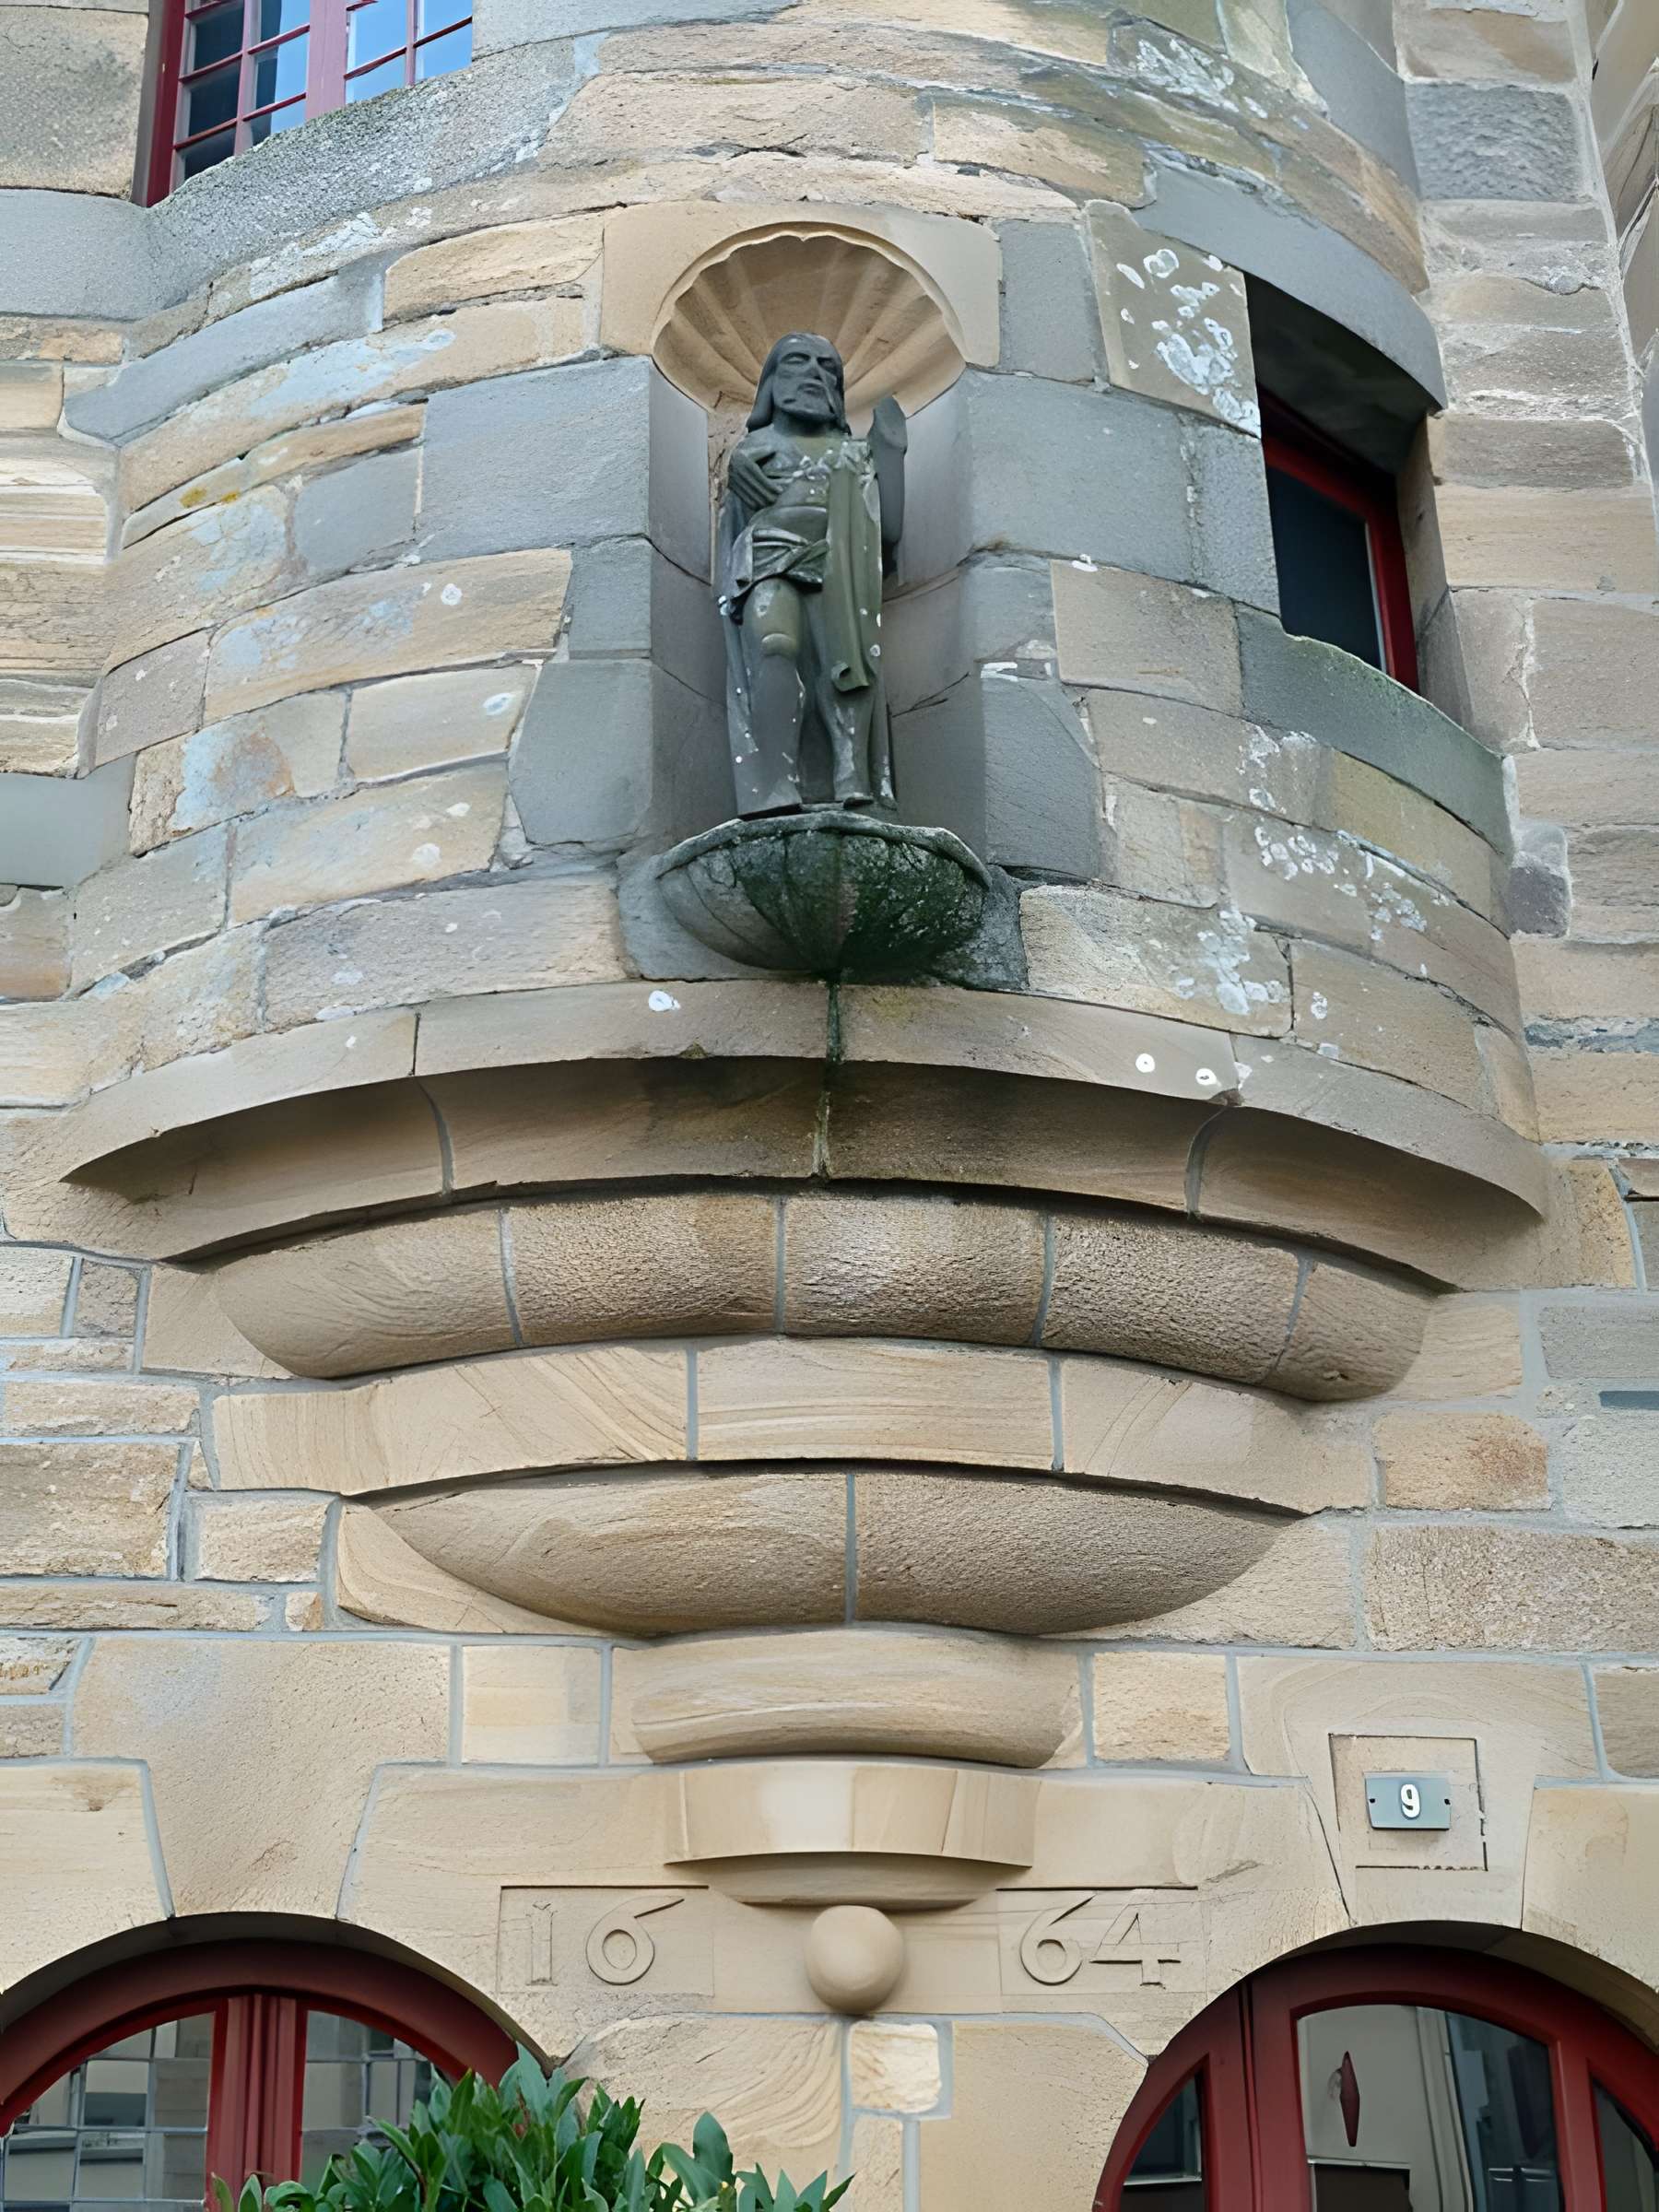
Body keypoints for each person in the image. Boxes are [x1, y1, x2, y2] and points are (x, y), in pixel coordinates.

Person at [715, 331, 907, 816]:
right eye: (798, 361)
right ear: (772, 382)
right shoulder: (754, 450)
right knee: (774, 644)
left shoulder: (854, 453)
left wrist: (889, 452)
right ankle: (777, 781)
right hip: (770, 558)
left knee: (846, 660)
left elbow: (889, 531)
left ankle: (851, 774)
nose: (813, 374)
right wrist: (735, 479)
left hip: (840, 561)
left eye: (827, 368)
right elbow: (732, 529)